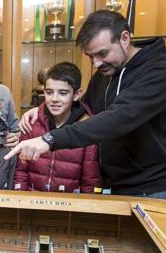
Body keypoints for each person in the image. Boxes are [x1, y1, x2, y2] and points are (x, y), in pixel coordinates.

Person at [10, 10, 166, 199]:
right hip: (109, 184)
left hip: (150, 189)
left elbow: (115, 120)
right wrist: (42, 111)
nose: (96, 64)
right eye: (90, 56)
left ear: (124, 38)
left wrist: (48, 139)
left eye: (102, 53)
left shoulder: (159, 74)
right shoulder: (104, 75)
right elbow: (80, 111)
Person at [13, 62, 100, 193]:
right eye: (49, 92)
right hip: (31, 204)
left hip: (68, 208)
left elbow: (90, 181)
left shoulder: (86, 129)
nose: (54, 99)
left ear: (76, 95)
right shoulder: (31, 123)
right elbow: (21, 171)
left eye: (63, 93)